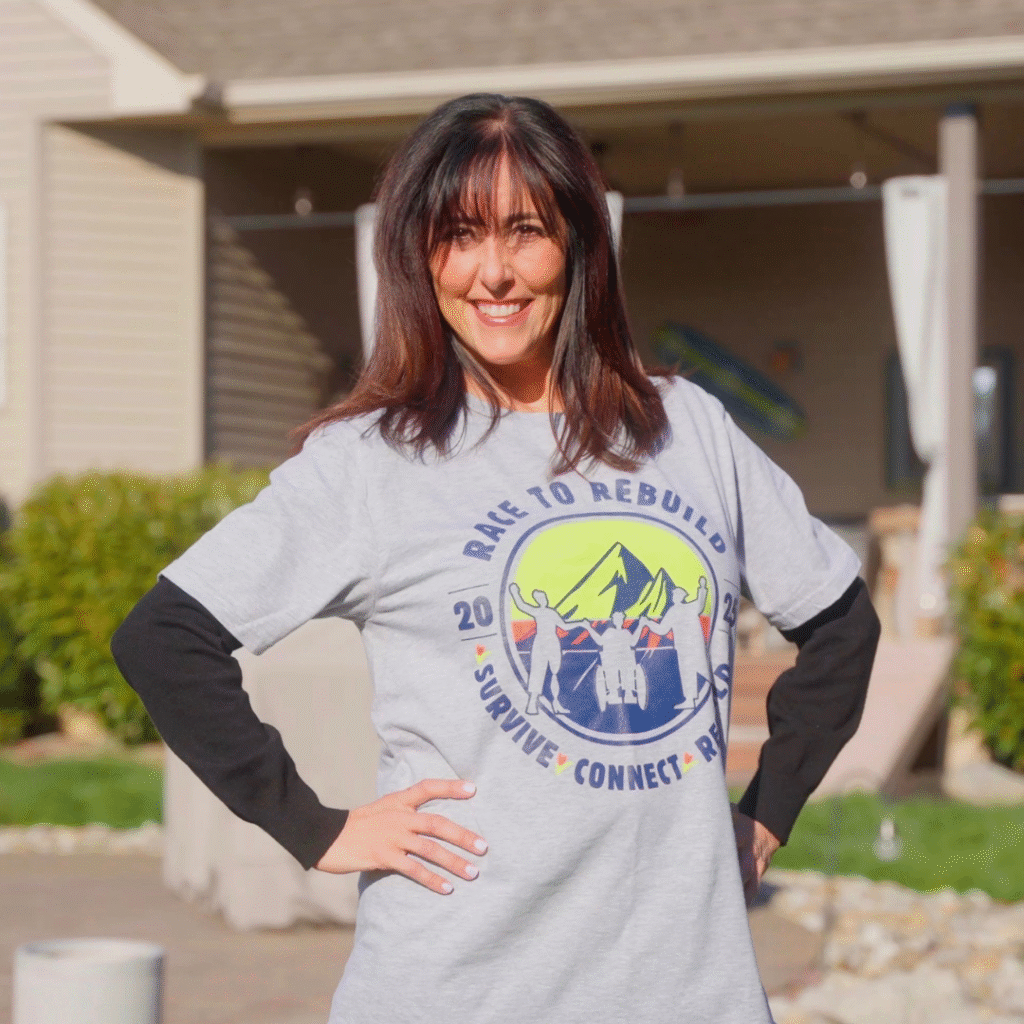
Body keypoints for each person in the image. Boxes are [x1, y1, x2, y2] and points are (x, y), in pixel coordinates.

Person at [110, 93, 880, 1024]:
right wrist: (315, 828)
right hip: (457, 989)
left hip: (687, 990)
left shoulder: (688, 429)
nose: (495, 271)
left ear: (580, 245)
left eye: (527, 230)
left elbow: (842, 624)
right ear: (417, 255)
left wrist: (769, 811)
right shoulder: (374, 463)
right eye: (460, 234)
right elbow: (165, 638)